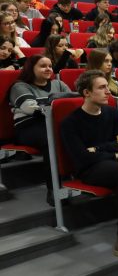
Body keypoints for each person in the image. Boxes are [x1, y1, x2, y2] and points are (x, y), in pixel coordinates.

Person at [59, 70, 118, 260]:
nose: (108, 91)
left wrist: (98, 148)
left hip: (108, 162)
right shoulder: (70, 123)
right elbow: (82, 158)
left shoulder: (112, 113)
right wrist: (113, 153)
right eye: (102, 88)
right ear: (86, 92)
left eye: (107, 87)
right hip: (89, 170)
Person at [10, 56, 72, 200]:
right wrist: (56, 103)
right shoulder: (20, 86)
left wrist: (55, 104)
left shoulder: (59, 84)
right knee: (51, 138)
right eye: (43, 66)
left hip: (53, 124)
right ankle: (54, 188)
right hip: (28, 127)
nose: (48, 69)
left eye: (50, 66)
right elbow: (31, 109)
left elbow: (72, 101)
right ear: (31, 68)